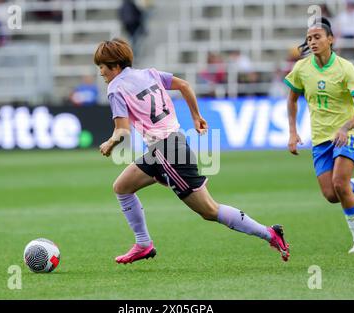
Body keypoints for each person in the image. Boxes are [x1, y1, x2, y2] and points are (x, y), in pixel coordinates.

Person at [94, 38, 290, 264]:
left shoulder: (116, 87)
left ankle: (270, 233)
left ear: (115, 65)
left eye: (102, 66)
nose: (101, 72)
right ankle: (143, 244)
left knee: (209, 210)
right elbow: (185, 85)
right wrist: (196, 116)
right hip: (167, 145)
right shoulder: (150, 73)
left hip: (167, 151)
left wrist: (110, 143)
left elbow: (122, 131)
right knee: (122, 187)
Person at [284, 17, 354, 254]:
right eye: (309, 38)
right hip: (320, 138)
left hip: (346, 133)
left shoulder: (344, 67)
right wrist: (292, 132)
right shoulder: (302, 68)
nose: (313, 41)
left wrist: (346, 127)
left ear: (331, 39)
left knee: (340, 183)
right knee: (331, 194)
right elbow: (291, 100)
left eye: (317, 37)